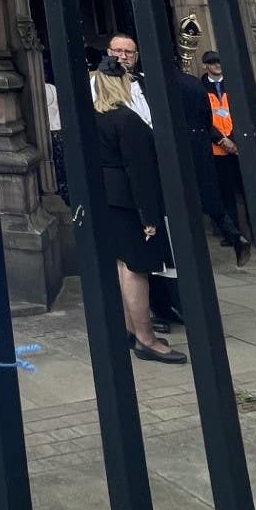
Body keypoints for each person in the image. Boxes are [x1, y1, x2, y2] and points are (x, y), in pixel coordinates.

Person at [92, 55, 187, 364]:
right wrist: (149, 216)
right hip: (129, 201)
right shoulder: (125, 119)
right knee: (137, 268)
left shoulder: (94, 117)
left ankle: (131, 330)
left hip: (106, 199)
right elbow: (139, 170)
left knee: (121, 265)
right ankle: (146, 339)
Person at [200, 50, 252, 265]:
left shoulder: (234, 85)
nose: (217, 65)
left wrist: (235, 140)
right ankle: (233, 233)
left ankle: (255, 230)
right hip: (218, 148)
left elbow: (243, 112)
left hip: (239, 146)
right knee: (225, 192)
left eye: (219, 61)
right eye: (212, 62)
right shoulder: (201, 88)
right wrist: (222, 140)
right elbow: (202, 117)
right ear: (205, 65)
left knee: (248, 189)